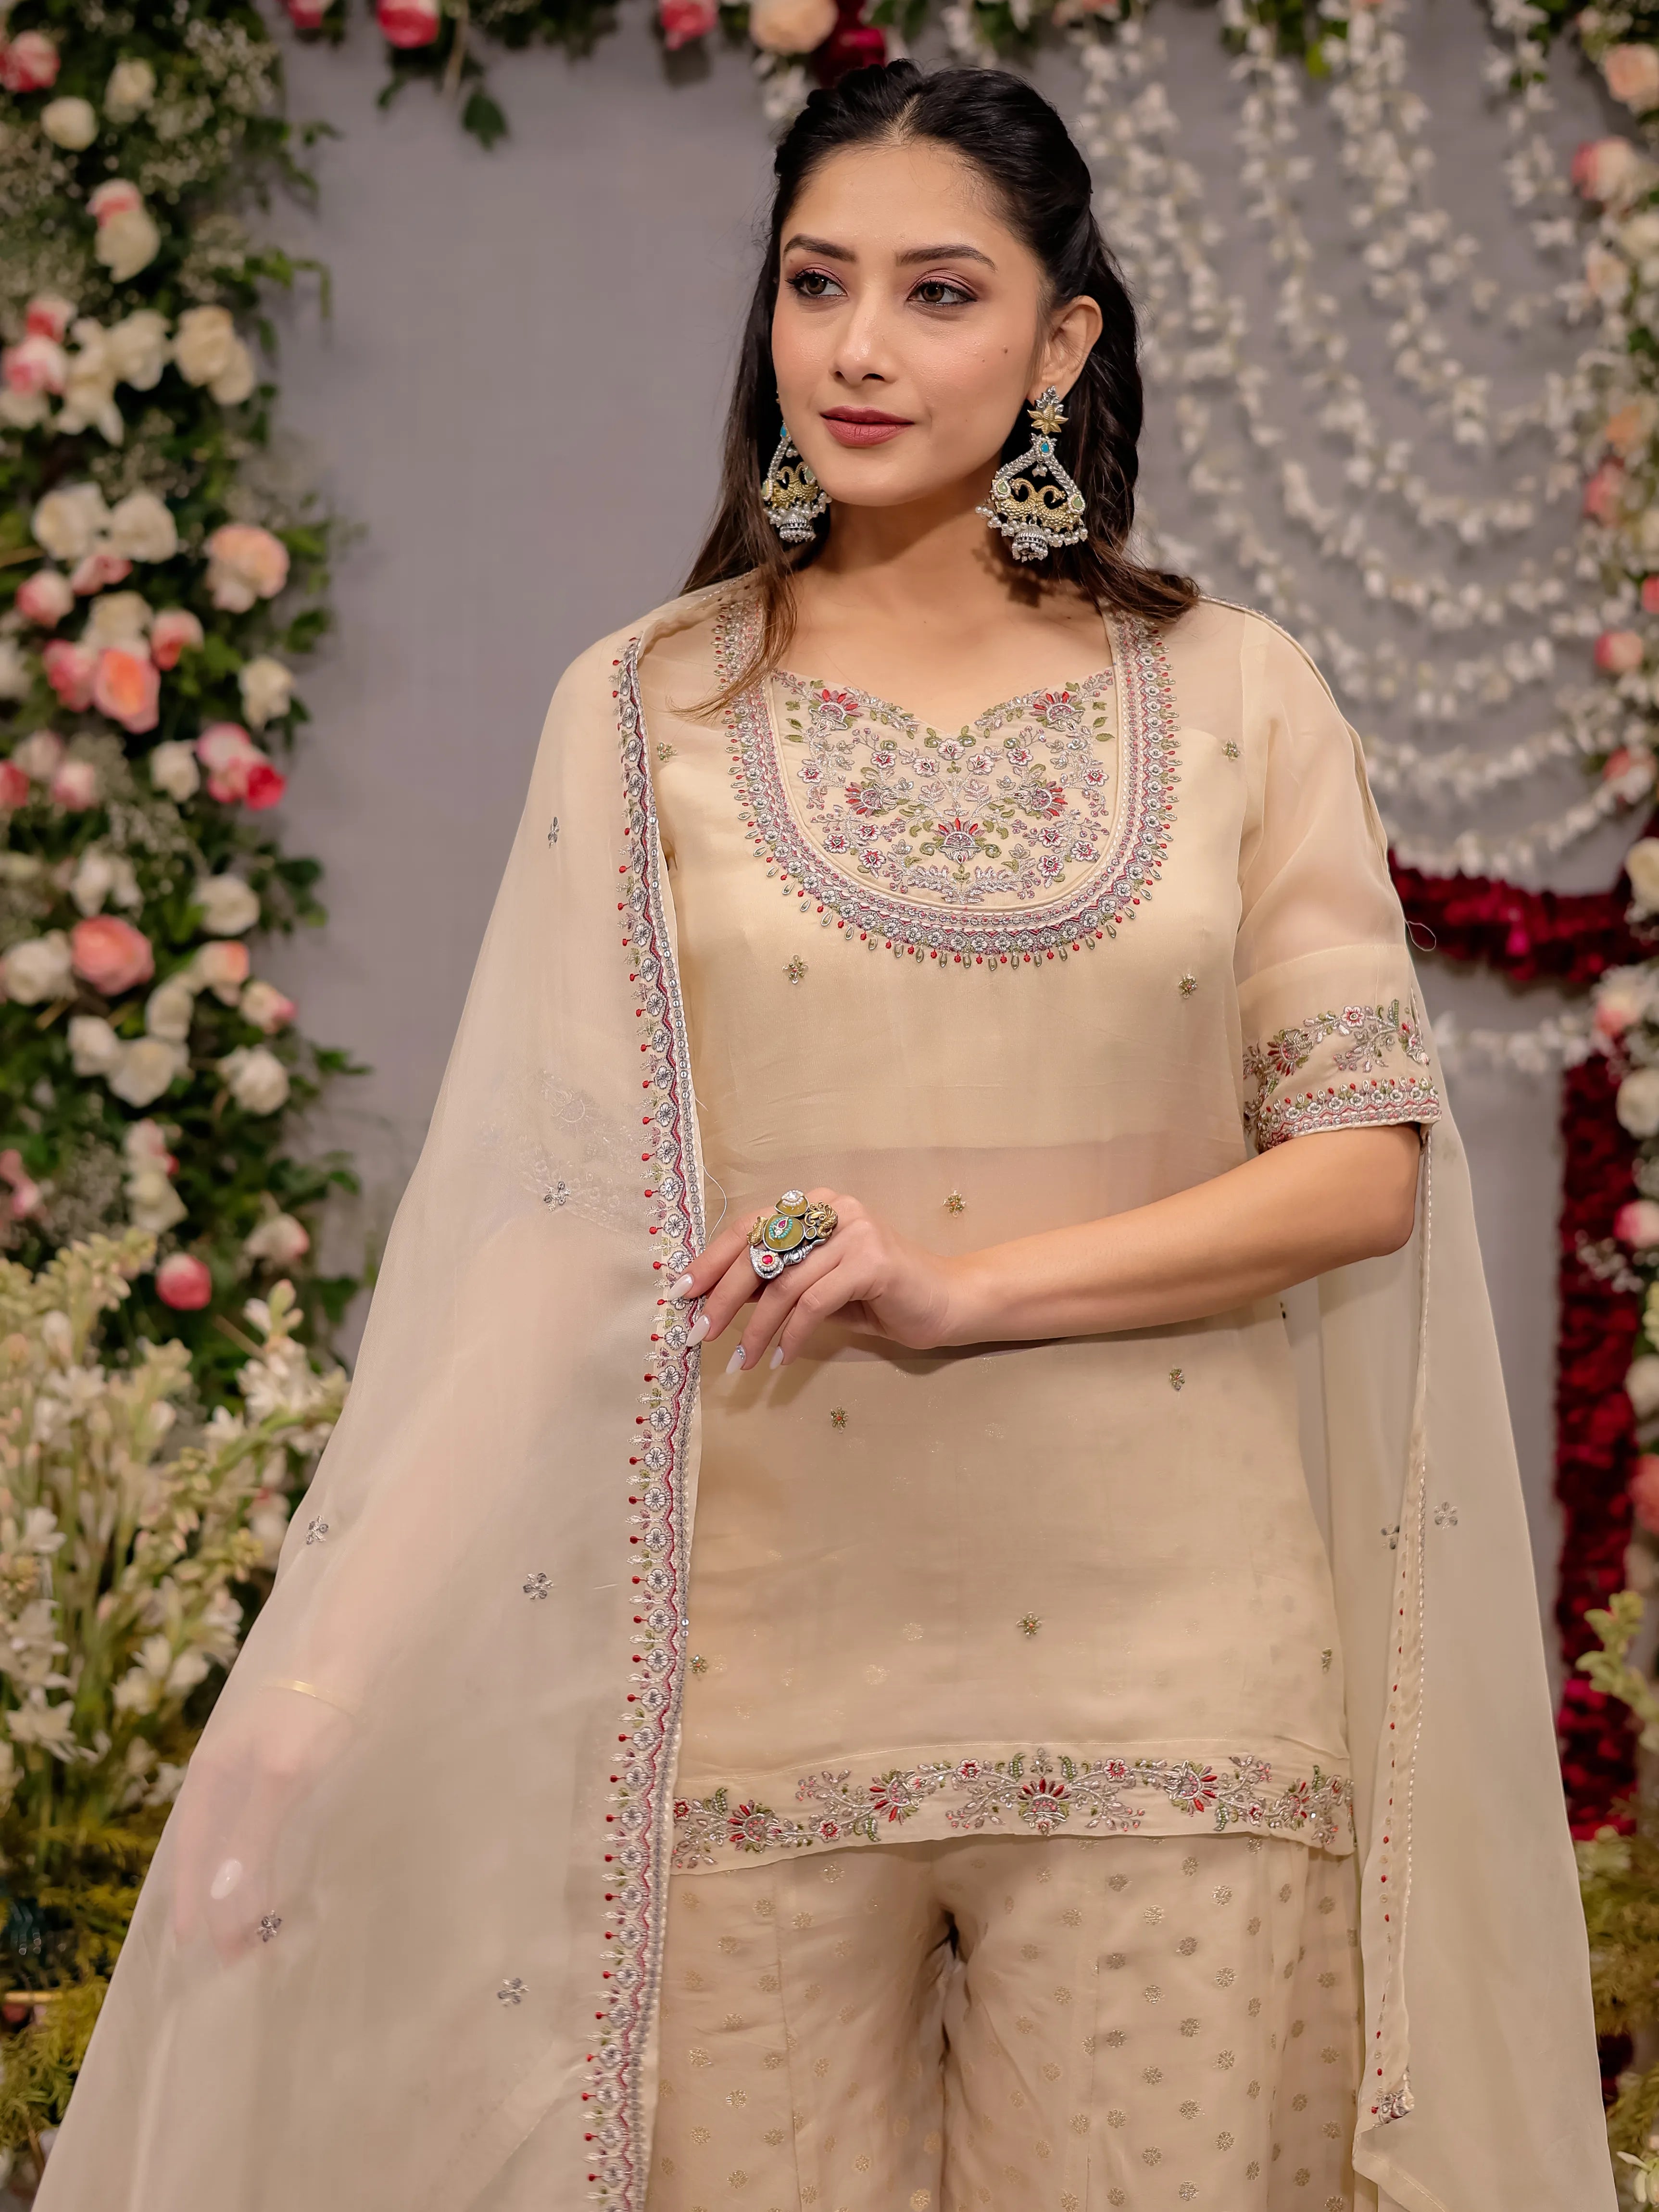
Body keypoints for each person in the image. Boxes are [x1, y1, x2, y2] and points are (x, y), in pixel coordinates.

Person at [43, 59, 1609, 2212]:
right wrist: (308, 1693)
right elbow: (547, 1238)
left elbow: (1356, 1164)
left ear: (1060, 339)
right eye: (815, 284)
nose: (859, 349)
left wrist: (961, 1290)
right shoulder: (650, 708)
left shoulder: (1245, 697)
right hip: (735, 1685)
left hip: (1177, 1688)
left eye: (939, 291)